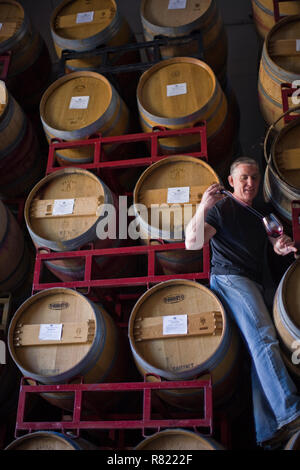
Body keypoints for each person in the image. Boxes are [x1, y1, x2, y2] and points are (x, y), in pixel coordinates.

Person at [185, 156, 300, 449]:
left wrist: (281, 245)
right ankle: (290, 411)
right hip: (230, 279)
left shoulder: (259, 214)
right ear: (232, 181)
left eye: (255, 178)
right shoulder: (221, 209)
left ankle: (267, 430)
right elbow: (192, 243)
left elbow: (274, 243)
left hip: (254, 281)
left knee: (258, 351)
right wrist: (203, 207)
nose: (251, 183)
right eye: (244, 178)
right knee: (264, 340)